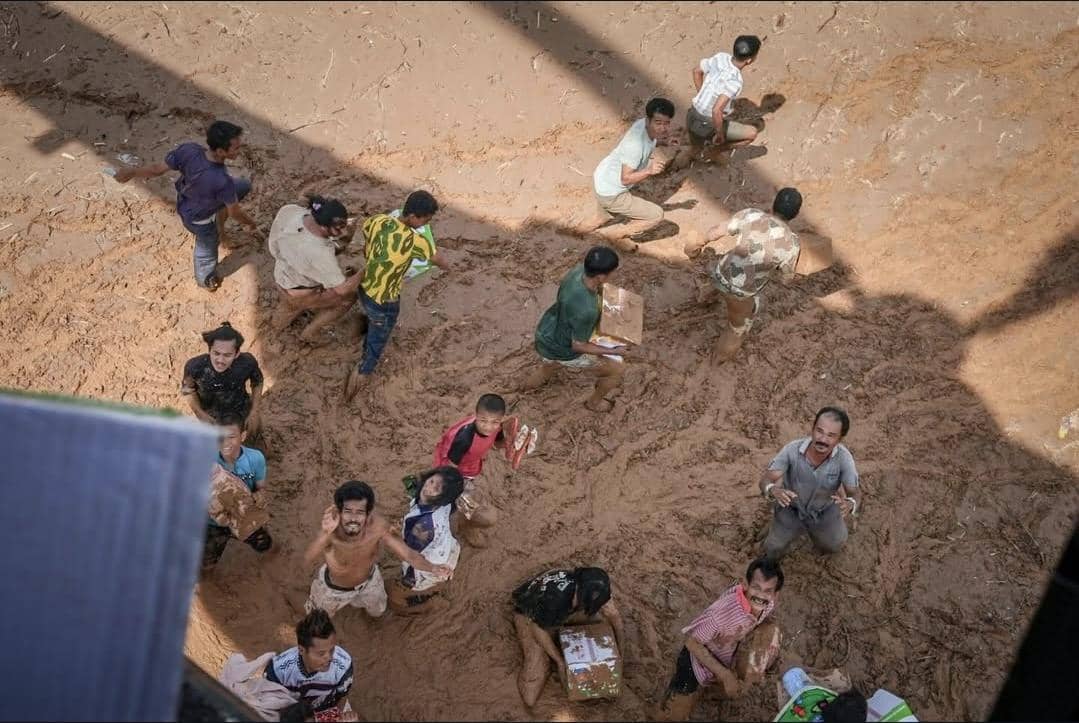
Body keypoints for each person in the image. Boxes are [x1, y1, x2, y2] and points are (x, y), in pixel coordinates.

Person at [113, 120, 259, 291]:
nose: (239, 150)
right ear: (221, 151)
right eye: (235, 148)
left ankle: (219, 216)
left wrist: (132, 172)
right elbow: (234, 211)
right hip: (199, 219)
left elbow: (156, 169)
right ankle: (205, 279)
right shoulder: (222, 181)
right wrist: (251, 223)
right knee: (207, 248)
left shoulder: (189, 150)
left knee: (243, 186)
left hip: (187, 201)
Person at [344, 190, 450, 401]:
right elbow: (436, 259)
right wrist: (450, 268)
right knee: (376, 343)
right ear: (413, 217)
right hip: (385, 301)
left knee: (370, 313)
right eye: (425, 220)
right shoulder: (414, 241)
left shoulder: (378, 221)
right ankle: (361, 374)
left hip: (365, 287)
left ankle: (364, 324)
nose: (425, 225)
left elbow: (366, 244)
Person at [655, 558, 784, 721]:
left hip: (725, 654)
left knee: (771, 632)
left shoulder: (768, 605)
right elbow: (692, 643)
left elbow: (766, 626)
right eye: (756, 588)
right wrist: (726, 675)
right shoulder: (721, 614)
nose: (760, 596)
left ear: (775, 595)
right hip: (695, 663)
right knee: (671, 716)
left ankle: (712, 690)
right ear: (745, 584)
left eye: (767, 591)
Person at [302, 480, 453, 618]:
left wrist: (433, 568)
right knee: (316, 618)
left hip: (370, 582)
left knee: (378, 612)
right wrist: (325, 534)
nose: (353, 518)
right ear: (339, 510)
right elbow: (308, 557)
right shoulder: (331, 531)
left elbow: (408, 555)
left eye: (360, 512)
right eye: (348, 511)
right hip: (333, 590)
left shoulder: (378, 527)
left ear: (368, 513)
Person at [686, 187, 803, 363]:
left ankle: (704, 297)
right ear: (796, 214)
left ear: (773, 204)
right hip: (741, 292)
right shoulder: (792, 243)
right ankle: (718, 360)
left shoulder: (752, 215)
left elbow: (718, 230)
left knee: (720, 281)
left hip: (720, 272)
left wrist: (700, 242)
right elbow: (786, 278)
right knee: (737, 328)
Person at [519, 246, 627, 413]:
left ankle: (525, 388)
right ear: (600, 277)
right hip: (564, 348)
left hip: (547, 332)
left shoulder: (577, 272)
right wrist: (614, 351)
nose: (614, 275)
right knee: (616, 371)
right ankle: (594, 403)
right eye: (613, 272)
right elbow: (578, 345)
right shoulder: (587, 311)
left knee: (548, 365)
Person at [511, 567, 626, 707]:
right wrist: (559, 661)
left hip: (562, 609)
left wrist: (621, 652)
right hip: (531, 617)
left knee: (602, 624)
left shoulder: (592, 586)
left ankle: (563, 631)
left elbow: (614, 616)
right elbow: (538, 630)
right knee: (536, 678)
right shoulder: (555, 599)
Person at [759, 407, 861, 561]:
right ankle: (776, 525)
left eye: (831, 435)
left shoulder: (845, 460)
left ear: (840, 439)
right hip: (790, 508)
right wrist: (773, 490)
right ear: (812, 429)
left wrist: (850, 503)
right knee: (772, 548)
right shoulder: (791, 450)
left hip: (825, 511)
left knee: (834, 545)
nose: (823, 439)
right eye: (819, 431)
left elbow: (855, 493)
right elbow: (765, 480)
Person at [575, 97, 676, 242]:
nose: (663, 128)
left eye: (667, 123)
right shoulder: (635, 147)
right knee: (656, 215)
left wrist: (663, 141)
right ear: (648, 120)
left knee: (601, 217)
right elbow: (625, 178)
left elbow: (651, 138)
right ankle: (616, 236)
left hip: (604, 181)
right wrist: (649, 170)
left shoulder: (643, 126)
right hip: (613, 192)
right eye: (658, 123)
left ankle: (575, 232)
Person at [268, 194, 363, 345]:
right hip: (302, 292)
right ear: (323, 226)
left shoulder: (291, 211)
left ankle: (276, 326)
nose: (342, 232)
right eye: (338, 229)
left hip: (283, 275)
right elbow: (342, 290)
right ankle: (311, 333)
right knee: (349, 298)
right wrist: (364, 271)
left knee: (287, 308)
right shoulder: (320, 253)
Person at [432, 393, 517, 548]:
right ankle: (457, 528)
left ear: (500, 420)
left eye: (495, 422)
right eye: (483, 421)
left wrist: (513, 442)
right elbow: (449, 467)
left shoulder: (496, 428)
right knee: (453, 511)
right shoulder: (464, 439)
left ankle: (465, 525)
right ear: (476, 415)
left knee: (464, 505)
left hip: (470, 468)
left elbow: (497, 445)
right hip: (455, 474)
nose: (488, 427)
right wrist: (456, 491)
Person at [671, 35, 762, 171]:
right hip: (708, 123)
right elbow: (716, 110)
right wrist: (719, 134)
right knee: (751, 134)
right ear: (749, 60)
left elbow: (696, 71)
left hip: (691, 115)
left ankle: (683, 159)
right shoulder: (735, 81)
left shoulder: (721, 57)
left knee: (695, 146)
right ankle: (713, 152)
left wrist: (703, 94)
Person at [387, 466, 466, 615]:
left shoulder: (423, 526)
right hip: (448, 551)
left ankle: (427, 605)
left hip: (428, 566)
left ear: (443, 498)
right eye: (431, 481)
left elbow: (409, 556)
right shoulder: (446, 504)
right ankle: (437, 583)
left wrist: (395, 535)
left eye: (436, 489)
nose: (428, 488)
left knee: (392, 596)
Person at [202, 414, 272, 571]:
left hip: (246, 514)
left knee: (263, 543)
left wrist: (260, 496)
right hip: (214, 521)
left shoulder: (255, 458)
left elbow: (260, 487)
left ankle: (270, 554)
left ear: (243, 435)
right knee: (208, 560)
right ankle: (207, 574)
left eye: (231, 437)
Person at [264, 609, 356, 722]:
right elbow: (269, 706)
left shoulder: (343, 666)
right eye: (321, 653)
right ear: (302, 650)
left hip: (324, 710)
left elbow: (341, 697)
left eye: (332, 650)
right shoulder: (277, 671)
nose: (330, 657)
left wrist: (337, 718)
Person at [181, 322, 265, 435]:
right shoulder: (195, 367)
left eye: (227, 355)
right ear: (209, 350)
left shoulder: (246, 363)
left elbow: (257, 382)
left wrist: (254, 411)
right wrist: (200, 413)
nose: (220, 360)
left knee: (255, 436)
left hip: (242, 409)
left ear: (236, 354)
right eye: (216, 353)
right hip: (212, 417)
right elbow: (188, 391)